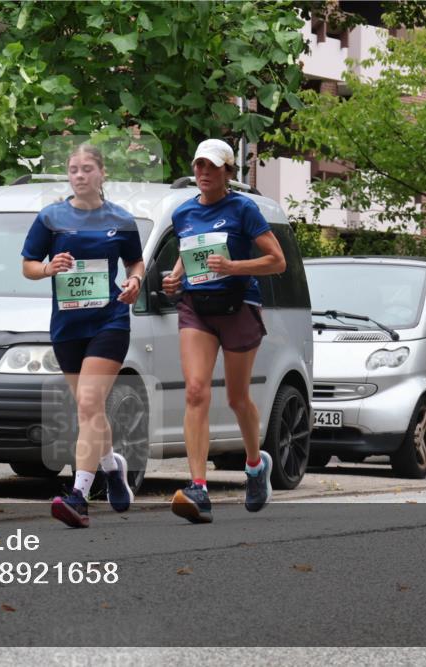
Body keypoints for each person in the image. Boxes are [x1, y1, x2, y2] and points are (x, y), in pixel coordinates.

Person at [21, 144, 146, 528]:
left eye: (87, 168)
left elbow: (135, 261)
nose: (79, 175)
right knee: (90, 410)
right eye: (73, 169)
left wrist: (135, 281)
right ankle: (112, 468)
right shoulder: (51, 218)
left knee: (89, 403)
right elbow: (27, 265)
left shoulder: (121, 220)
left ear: (102, 173)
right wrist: (48, 269)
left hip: (109, 322)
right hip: (67, 326)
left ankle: (78, 495)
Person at [162, 138, 286, 522]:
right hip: (197, 308)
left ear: (228, 172)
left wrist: (234, 267)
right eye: (199, 166)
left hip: (237, 306)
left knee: (236, 398)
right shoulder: (183, 213)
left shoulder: (243, 209)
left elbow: (276, 261)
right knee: (196, 391)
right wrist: (175, 279)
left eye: (212, 167)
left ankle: (254, 465)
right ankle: (198, 487)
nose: (203, 173)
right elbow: (189, 254)